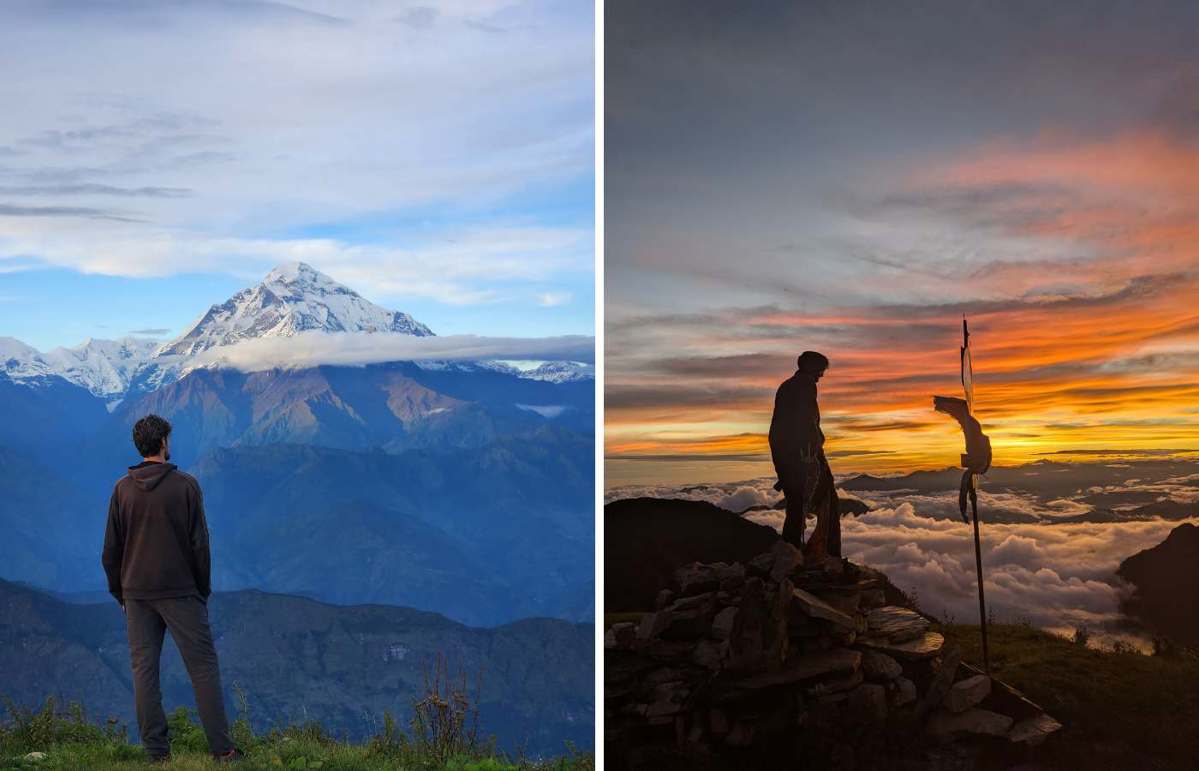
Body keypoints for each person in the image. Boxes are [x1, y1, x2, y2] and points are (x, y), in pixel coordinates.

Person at [101, 414, 242, 763]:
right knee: (203, 668)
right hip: (181, 591)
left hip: (136, 593)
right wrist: (201, 590)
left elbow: (111, 550)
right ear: (164, 442)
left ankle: (156, 753)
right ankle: (222, 750)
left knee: (144, 671)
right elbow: (200, 546)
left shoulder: (122, 489)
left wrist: (120, 593)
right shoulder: (186, 486)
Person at [768, 351, 841, 560]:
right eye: (820, 370)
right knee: (826, 501)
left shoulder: (788, 386)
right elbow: (806, 420)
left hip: (787, 454)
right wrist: (810, 453)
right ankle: (824, 555)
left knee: (796, 506)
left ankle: (791, 553)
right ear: (810, 368)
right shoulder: (804, 385)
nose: (821, 375)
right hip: (803, 454)